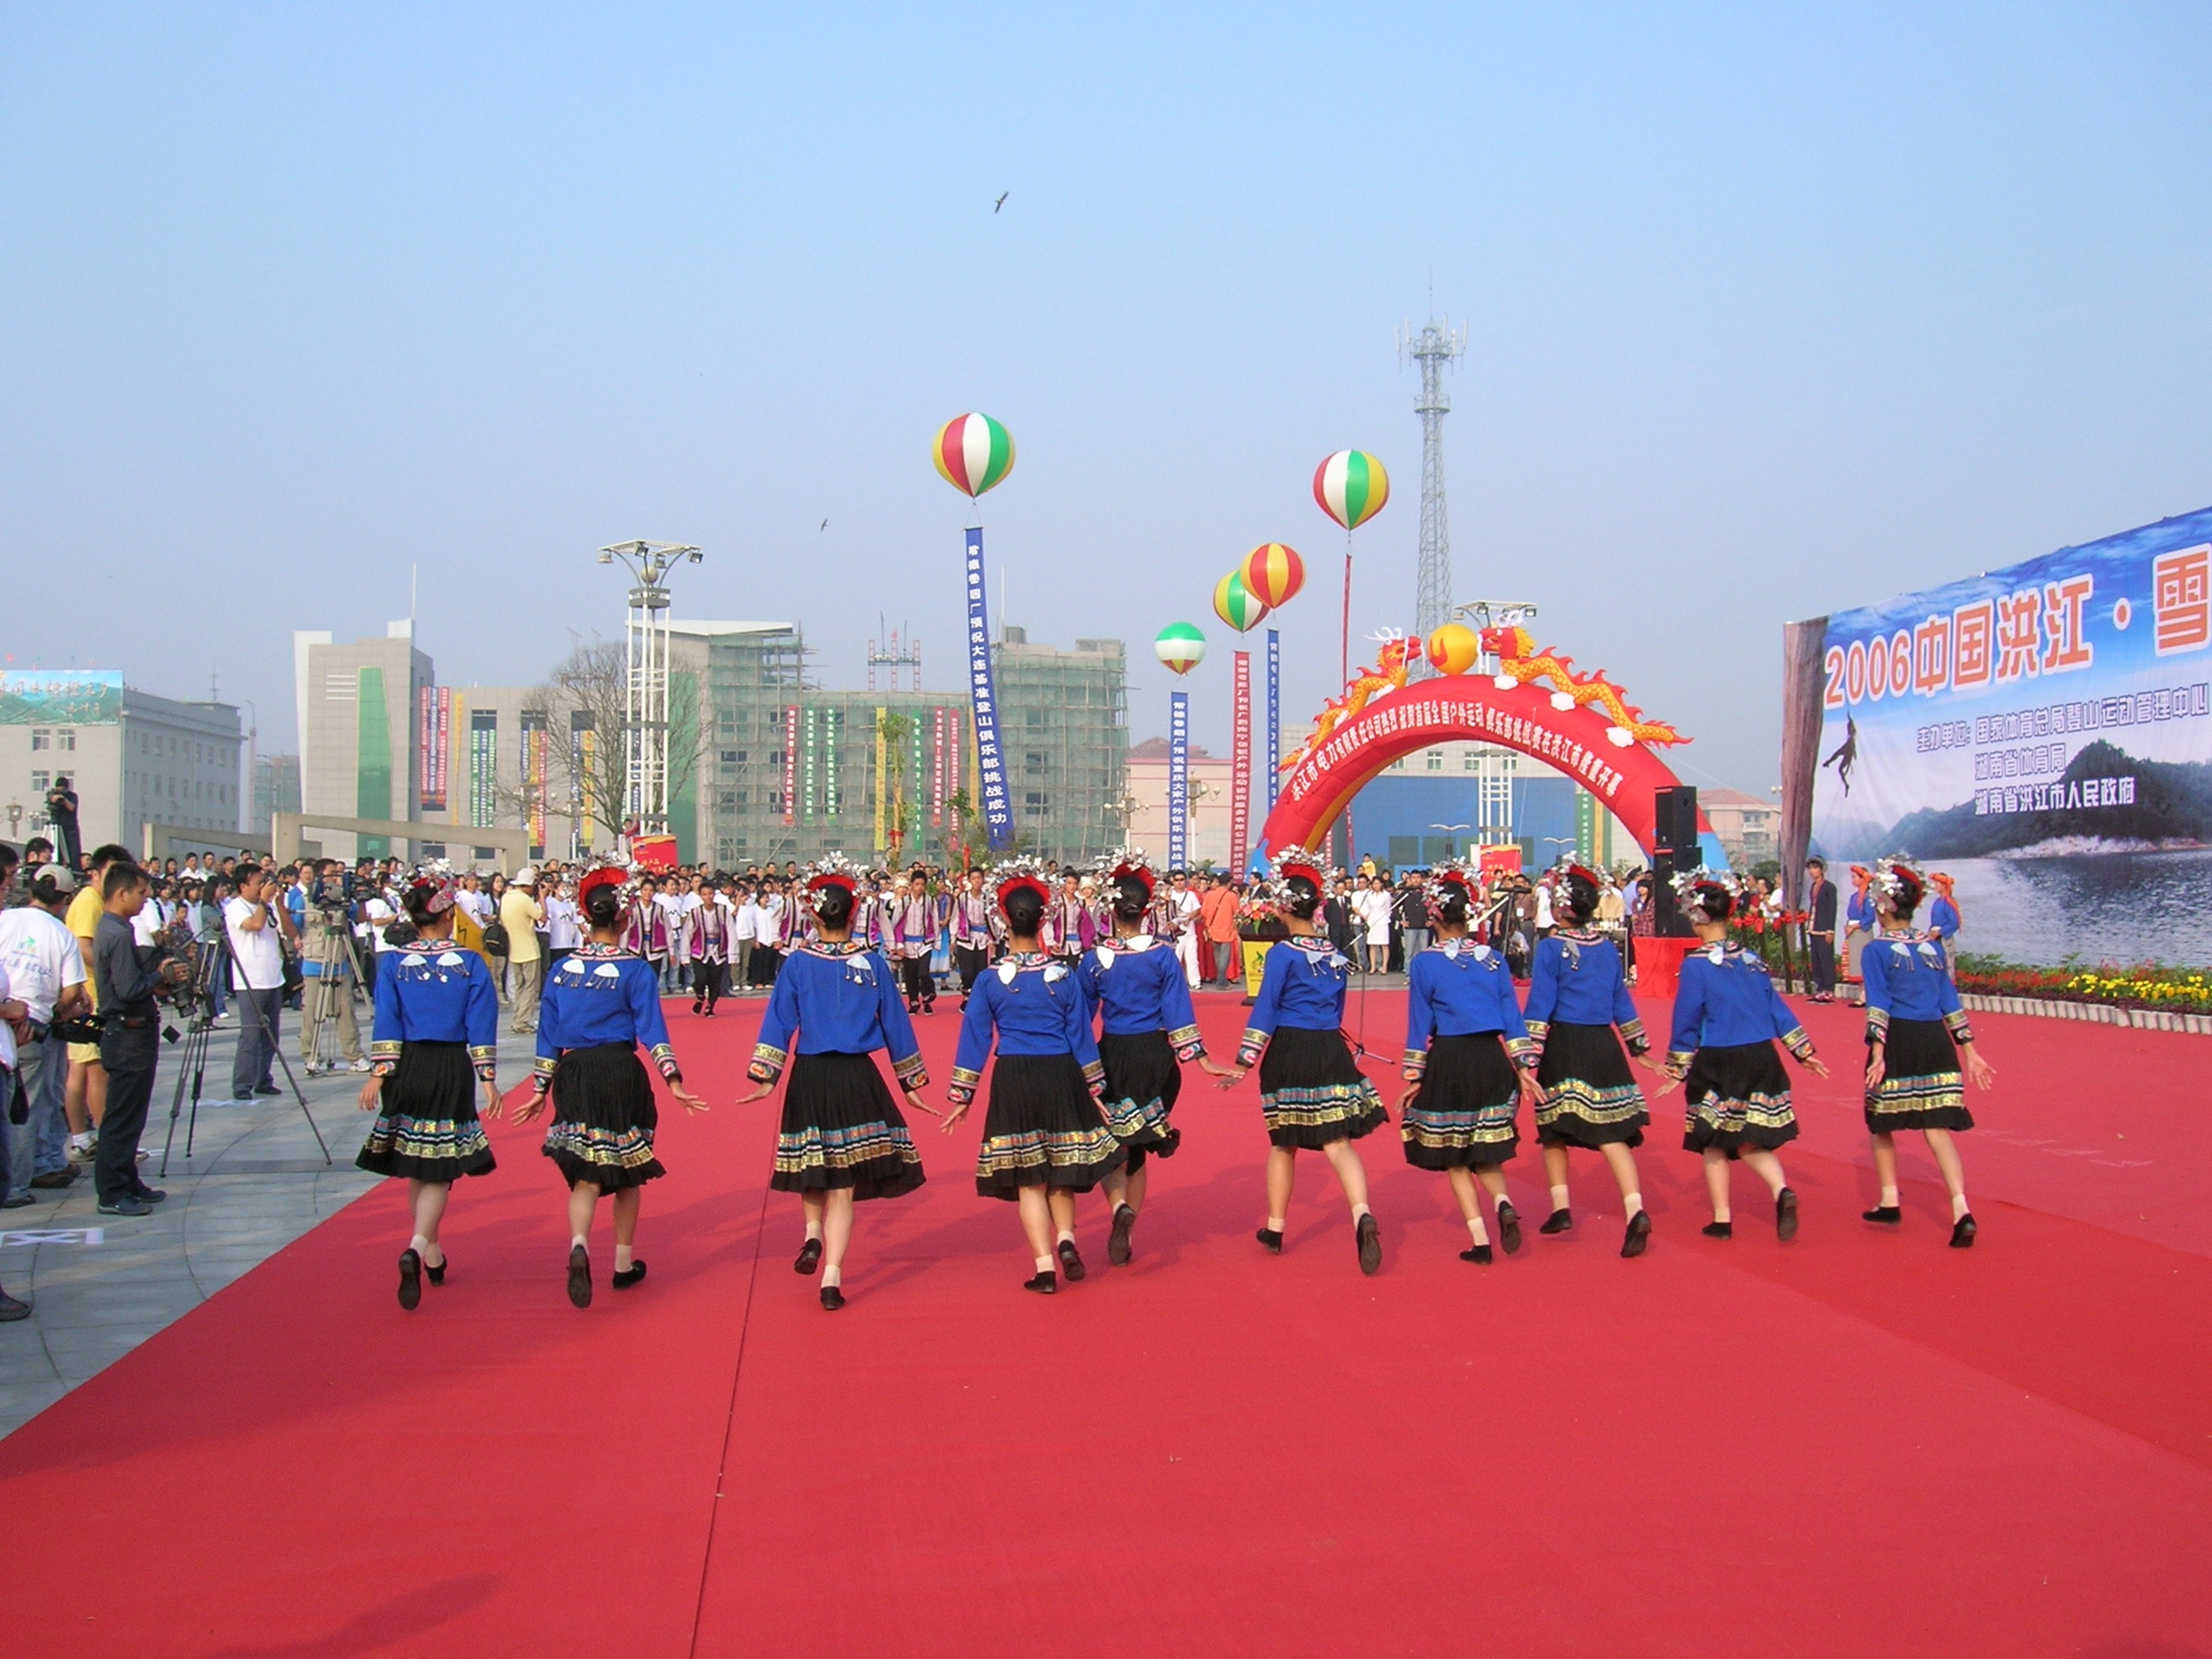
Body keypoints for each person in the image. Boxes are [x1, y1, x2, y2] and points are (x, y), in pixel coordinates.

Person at [736, 854, 933, 1311]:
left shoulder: (798, 964)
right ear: (854, 914)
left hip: (809, 1073)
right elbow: (896, 1025)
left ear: (813, 914)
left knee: (813, 1161)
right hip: (857, 1075)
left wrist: (766, 1076)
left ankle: (811, 1234)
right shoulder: (873, 963)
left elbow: (779, 1021)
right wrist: (911, 1084)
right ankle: (832, 1277)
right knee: (843, 1183)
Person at [515, 865, 707, 1307]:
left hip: (574, 1072)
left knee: (585, 1174)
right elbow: (652, 1029)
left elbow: (548, 1034)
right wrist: (673, 1079)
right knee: (627, 1171)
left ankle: (579, 1243)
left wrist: (540, 1087)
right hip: (620, 1070)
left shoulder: (561, 970)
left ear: (585, 918)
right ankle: (622, 1264)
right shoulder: (635, 970)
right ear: (622, 920)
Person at [942, 861, 1124, 1294]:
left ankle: (1044, 1267)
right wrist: (1096, 1087)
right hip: (1060, 1071)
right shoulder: (1063, 975)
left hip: (1015, 1075)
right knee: (1061, 1167)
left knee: (1030, 1178)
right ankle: (1067, 1239)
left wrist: (963, 1096)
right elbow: (1081, 1035)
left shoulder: (989, 980)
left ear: (1004, 920)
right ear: (1043, 920)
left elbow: (975, 1039)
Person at [1218, 847, 1387, 1275]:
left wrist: (1245, 1060)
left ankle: (1276, 1227)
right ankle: (1362, 1213)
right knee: (1339, 1143)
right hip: (1329, 1046)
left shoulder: (1282, 954)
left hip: (1290, 1049)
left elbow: (1266, 1009)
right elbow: (1338, 1009)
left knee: (1283, 1143)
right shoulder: (1335, 954)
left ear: (1282, 908)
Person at [1079, 850, 1235, 1266]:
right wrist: (1199, 1058)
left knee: (1113, 1141)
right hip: (1156, 1055)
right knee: (1140, 1145)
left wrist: (1075, 1060)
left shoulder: (1095, 960)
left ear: (1111, 910)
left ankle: (1118, 1207)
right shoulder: (1163, 954)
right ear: (1147, 911)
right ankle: (1128, 1227)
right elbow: (1178, 1009)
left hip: (1114, 1052)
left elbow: (1080, 1017)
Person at [355, 871, 502, 1310]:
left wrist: (379, 1072)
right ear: (445, 915)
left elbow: (387, 1019)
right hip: (449, 1065)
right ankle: (417, 1246)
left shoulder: (394, 963)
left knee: (418, 1159)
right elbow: (481, 1021)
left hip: (406, 1066)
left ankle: (433, 1251)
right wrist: (488, 1077)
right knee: (439, 1165)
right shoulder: (470, 962)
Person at [1657, 872, 1830, 1241]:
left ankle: (1722, 1218)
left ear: (1698, 917)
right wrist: (1802, 1051)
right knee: (1750, 1137)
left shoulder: (1696, 965)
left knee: (1713, 1137)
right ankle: (1780, 1188)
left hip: (1720, 1057)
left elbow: (1687, 1019)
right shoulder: (1750, 959)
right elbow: (1776, 1007)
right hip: (1761, 1054)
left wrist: (1677, 1068)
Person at [1395, 860, 1541, 1264]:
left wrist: (1414, 1075)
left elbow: (1419, 1023)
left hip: (1450, 1058)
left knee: (1455, 1155)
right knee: (1485, 1148)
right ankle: (1503, 1202)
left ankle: (1479, 1240)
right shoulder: (1493, 959)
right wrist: (1523, 1067)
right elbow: (1512, 1016)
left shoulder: (1425, 963)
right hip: (1491, 1057)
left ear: (1434, 916)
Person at [1523, 864, 1663, 1258]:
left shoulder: (1552, 948)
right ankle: (1635, 1208)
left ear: (1562, 907)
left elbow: (1540, 1004)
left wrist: (1526, 1057)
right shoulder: (1605, 948)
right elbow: (1621, 1001)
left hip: (1565, 1042)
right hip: (1604, 1043)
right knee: (1611, 1133)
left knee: (1553, 1128)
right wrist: (1639, 1048)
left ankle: (1561, 1207)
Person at [1860, 858, 1995, 1247]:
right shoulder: (1931, 947)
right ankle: (1961, 1207)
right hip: (1936, 1039)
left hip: (1899, 1038)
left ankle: (1889, 1199)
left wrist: (1878, 1051)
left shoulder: (1876, 950)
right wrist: (1970, 1050)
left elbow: (1879, 1002)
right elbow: (1949, 1001)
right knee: (1936, 1129)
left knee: (1881, 1122)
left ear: (1884, 905)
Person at [91, 863, 189, 1216]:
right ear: (121, 894)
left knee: (133, 1114)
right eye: (141, 893)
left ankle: (128, 1179)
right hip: (126, 1033)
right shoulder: (116, 934)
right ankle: (112, 1190)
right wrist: (159, 976)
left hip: (134, 1031)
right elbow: (129, 988)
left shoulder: (118, 928)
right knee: (122, 1116)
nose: (145, 899)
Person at [0, 865, 91, 1205]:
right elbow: (72, 990)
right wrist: (58, 1013)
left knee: (21, 1105)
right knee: (28, 1108)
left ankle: (44, 1163)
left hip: (9, 1025)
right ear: (64, 899)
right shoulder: (60, 933)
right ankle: (17, 1183)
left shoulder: (6, 919)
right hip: (35, 1026)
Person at [225, 863, 294, 1100]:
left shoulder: (269, 906)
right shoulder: (235, 907)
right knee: (251, 1035)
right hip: (250, 981)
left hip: (273, 977)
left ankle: (263, 1079)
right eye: (258, 883)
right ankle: (242, 1084)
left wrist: (280, 904)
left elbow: (289, 931)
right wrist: (264, 901)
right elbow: (254, 925)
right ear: (243, 886)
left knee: (271, 1036)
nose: (263, 887)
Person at [887, 864, 943, 1015]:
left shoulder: (930, 901)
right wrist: (898, 944)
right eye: (917, 884)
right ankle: (913, 1001)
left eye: (922, 885)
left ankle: (927, 997)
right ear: (911, 885)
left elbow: (934, 920)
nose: (919, 888)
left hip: (925, 943)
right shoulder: (903, 903)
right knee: (910, 975)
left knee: (923, 972)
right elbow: (896, 924)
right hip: (907, 943)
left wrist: (937, 940)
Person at [500, 865, 546, 1034]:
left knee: (520, 986)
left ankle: (517, 1018)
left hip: (514, 949)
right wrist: (542, 897)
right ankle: (522, 1021)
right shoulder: (525, 900)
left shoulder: (506, 897)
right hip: (529, 948)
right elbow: (543, 917)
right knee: (530, 988)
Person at [948, 866, 994, 1002]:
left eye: (979, 878)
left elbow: (993, 920)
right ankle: (967, 994)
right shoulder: (963, 898)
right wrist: (953, 939)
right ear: (969, 880)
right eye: (974, 878)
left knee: (981, 972)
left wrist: (992, 940)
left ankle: (977, 999)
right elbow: (955, 918)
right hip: (965, 938)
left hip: (983, 939)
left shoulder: (988, 898)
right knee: (967, 972)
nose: (977, 881)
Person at [689, 877, 732, 1017]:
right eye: (705, 894)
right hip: (700, 950)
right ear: (701, 896)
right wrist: (684, 954)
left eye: (710, 893)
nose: (708, 897)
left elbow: (731, 930)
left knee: (715, 981)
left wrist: (733, 953)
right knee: (700, 979)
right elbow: (688, 933)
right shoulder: (696, 912)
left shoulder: (722, 910)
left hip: (718, 950)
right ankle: (700, 996)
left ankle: (710, 1006)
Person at [1805, 856, 1839, 1002]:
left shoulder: (1829, 887)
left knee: (1826, 959)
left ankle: (1829, 989)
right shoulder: (1813, 886)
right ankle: (1819, 988)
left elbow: (1832, 909)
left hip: (1824, 929)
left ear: (1822, 869)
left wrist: (1830, 930)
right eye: (1810, 868)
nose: (1812, 871)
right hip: (1813, 927)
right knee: (1816, 960)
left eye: (1815, 868)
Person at [44, 775, 81, 868]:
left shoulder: (72, 796)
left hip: (70, 828)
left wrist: (63, 799)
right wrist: (55, 798)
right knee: (56, 852)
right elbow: (51, 799)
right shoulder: (52, 793)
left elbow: (71, 807)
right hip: (55, 826)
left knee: (73, 854)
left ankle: (75, 871)